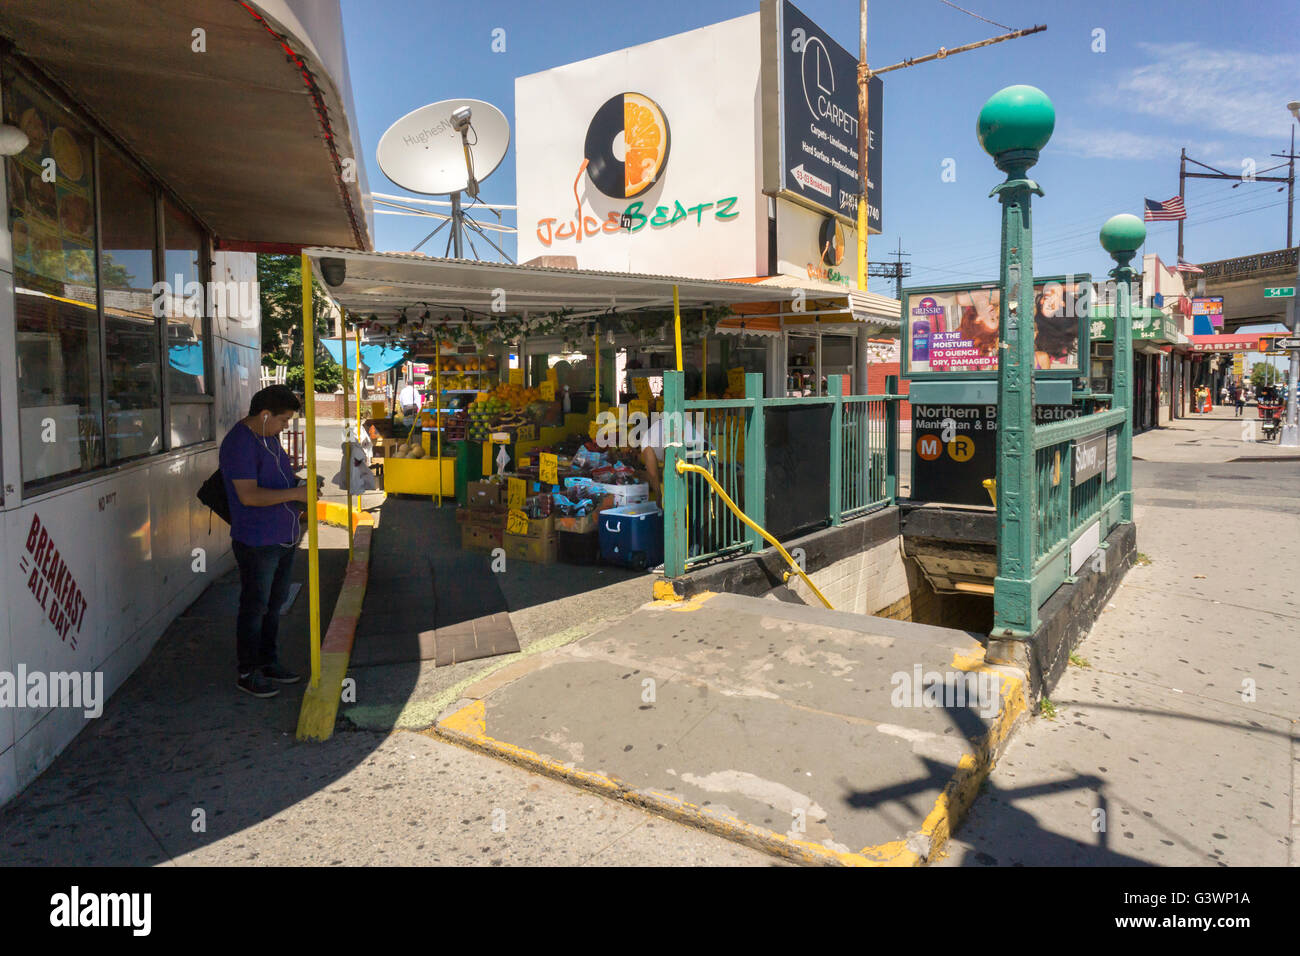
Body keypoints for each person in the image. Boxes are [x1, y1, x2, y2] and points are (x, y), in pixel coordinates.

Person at [220, 385, 312, 698]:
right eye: (284, 420)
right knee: (255, 606)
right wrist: (297, 494)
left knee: (274, 606)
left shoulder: (268, 437)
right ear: (265, 414)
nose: (286, 426)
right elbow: (248, 495)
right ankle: (247, 671)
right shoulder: (240, 443)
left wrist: (299, 486)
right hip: (258, 540)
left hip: (283, 536)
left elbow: (277, 481)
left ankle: (268, 661)